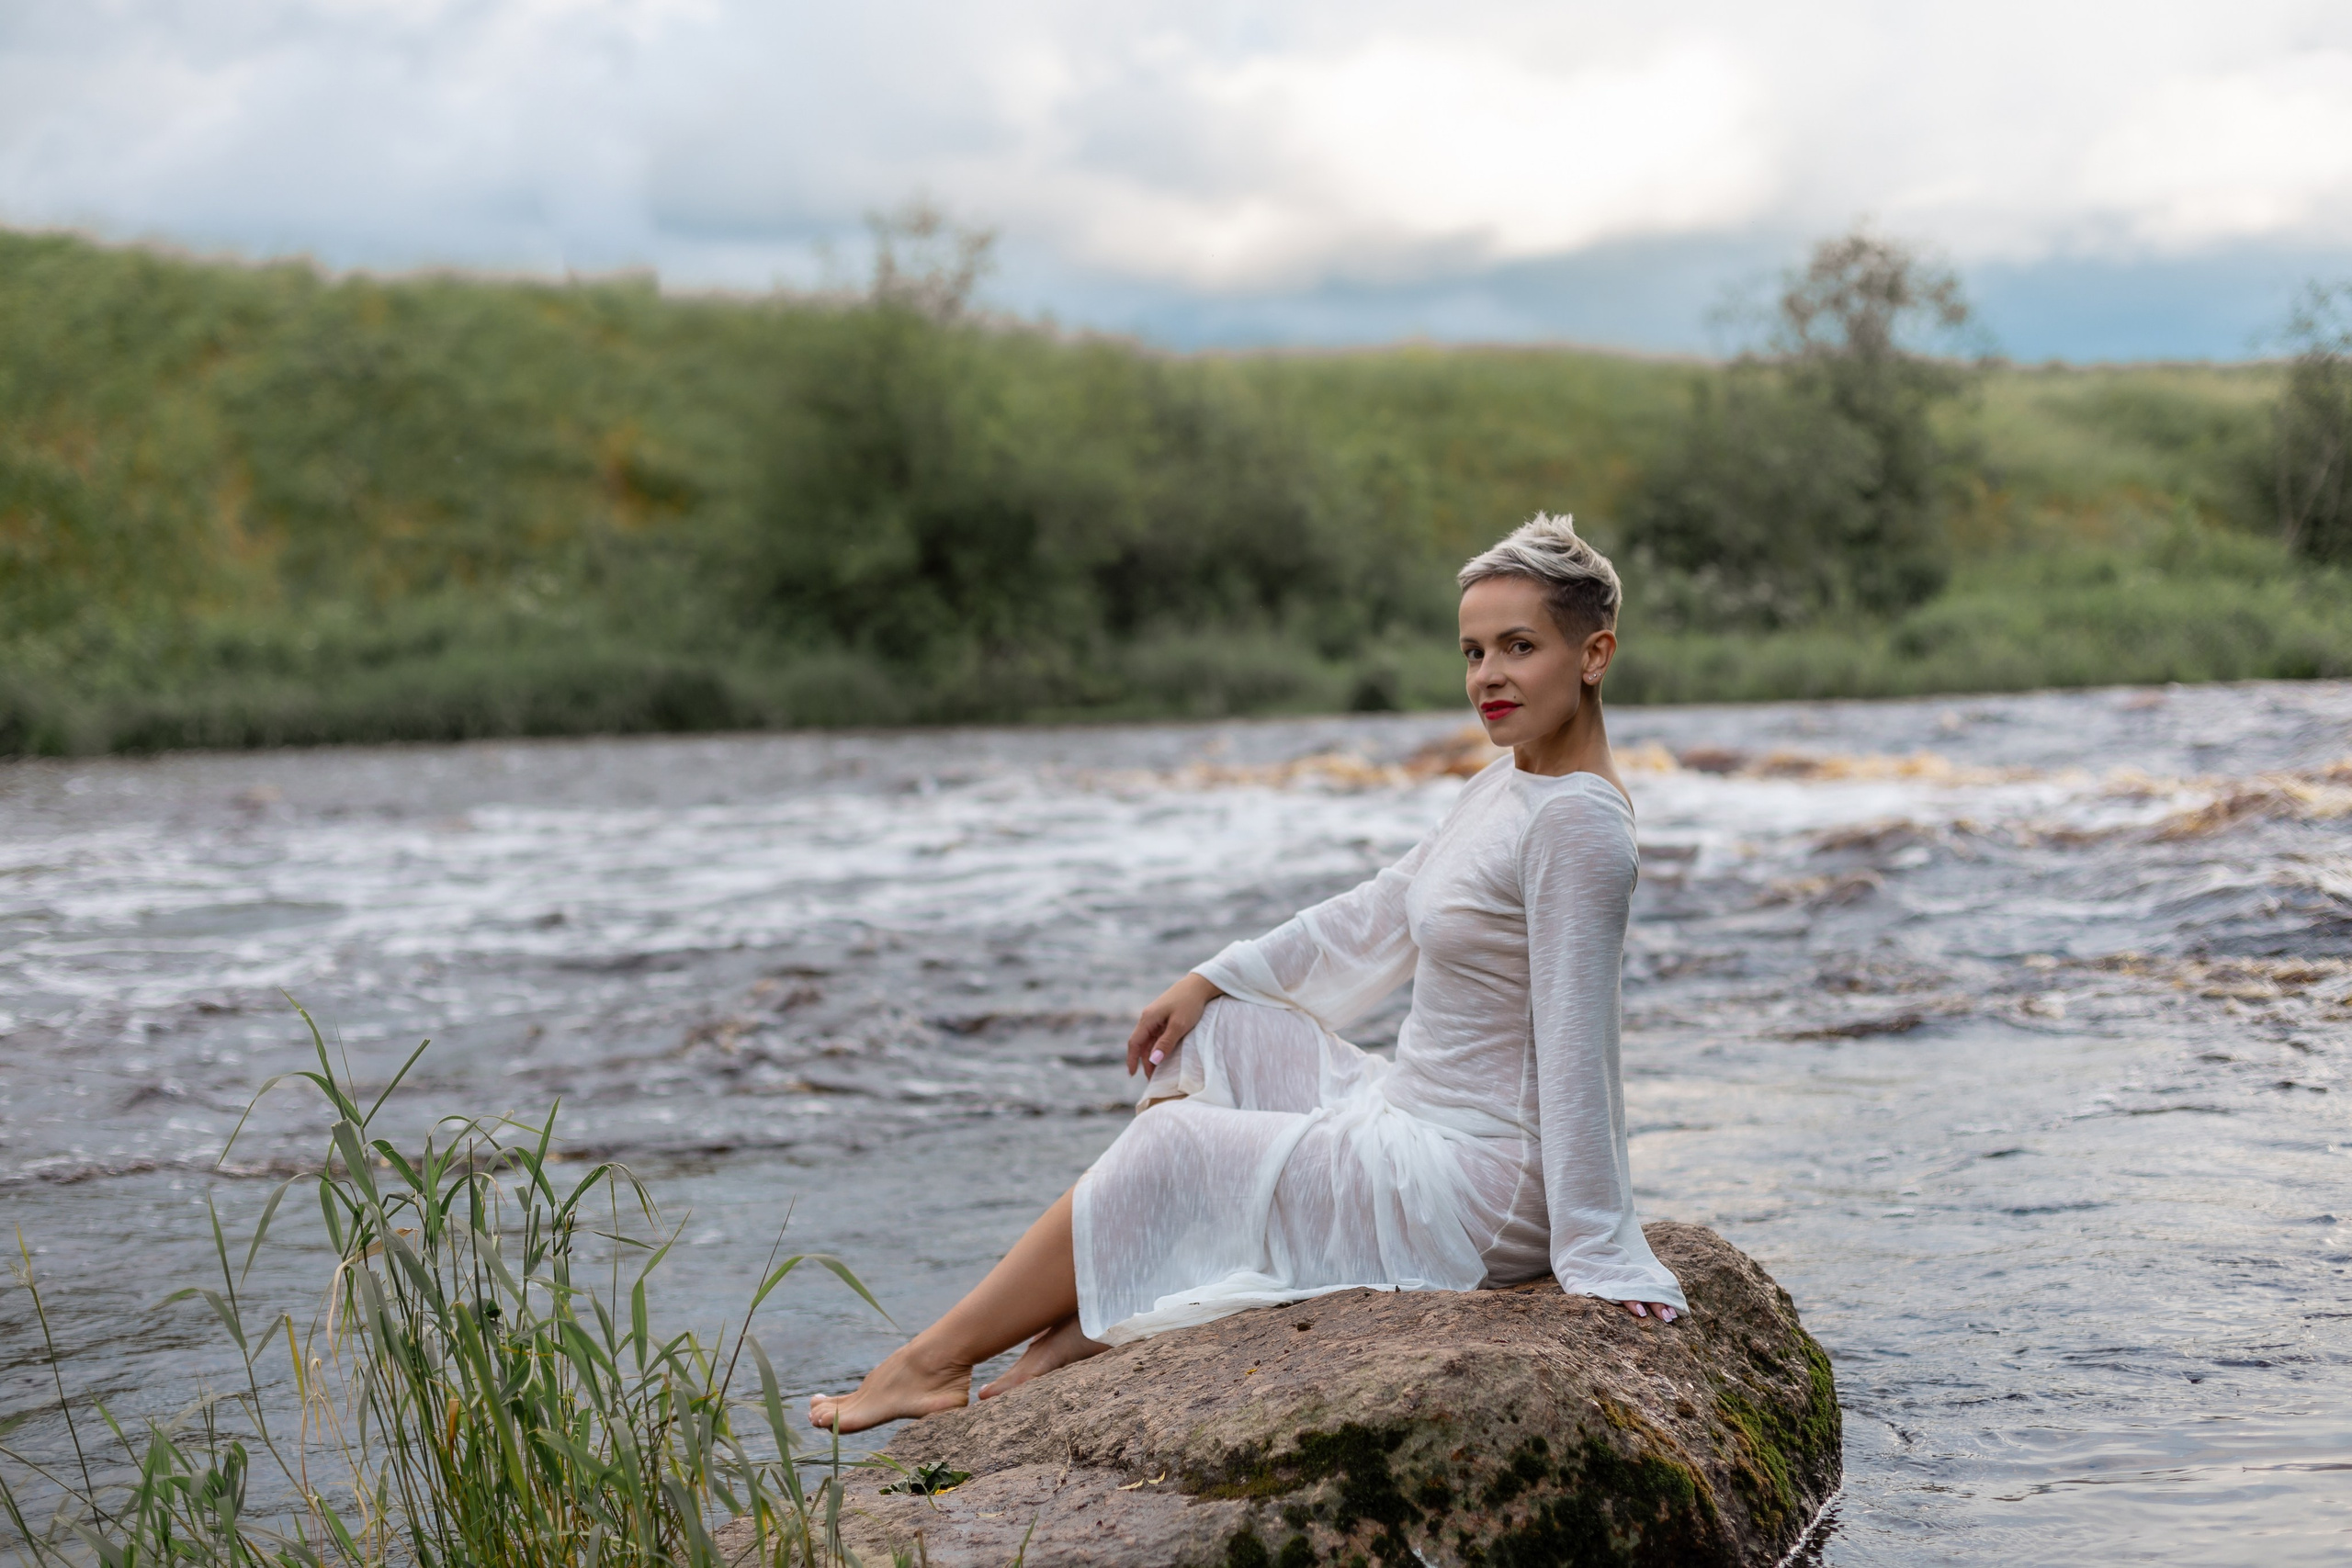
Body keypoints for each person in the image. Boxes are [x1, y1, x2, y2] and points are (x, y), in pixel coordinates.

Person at [809, 513, 1685, 1435]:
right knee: (1218, 1030)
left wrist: (1594, 1247)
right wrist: (1211, 977)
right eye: (1471, 651)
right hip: (1411, 1111)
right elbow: (1385, 906)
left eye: (1519, 647)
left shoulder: (1578, 829)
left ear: (1593, 655)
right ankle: (1093, 1318)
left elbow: (1580, 1046)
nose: (1487, 677)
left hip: (1481, 1186)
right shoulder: (1507, 784)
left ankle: (933, 1362)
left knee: (1172, 1150)